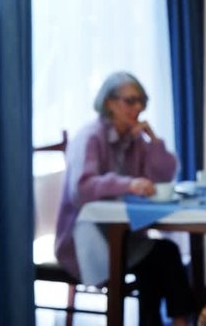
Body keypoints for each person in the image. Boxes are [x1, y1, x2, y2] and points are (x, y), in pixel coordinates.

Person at [54, 72, 194, 326]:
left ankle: (170, 321)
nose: (138, 107)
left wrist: (153, 141)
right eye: (130, 101)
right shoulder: (90, 137)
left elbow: (165, 174)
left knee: (160, 257)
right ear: (109, 102)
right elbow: (82, 188)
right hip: (86, 239)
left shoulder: (134, 139)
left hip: (123, 235)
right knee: (162, 256)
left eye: (141, 101)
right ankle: (178, 321)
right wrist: (128, 183)